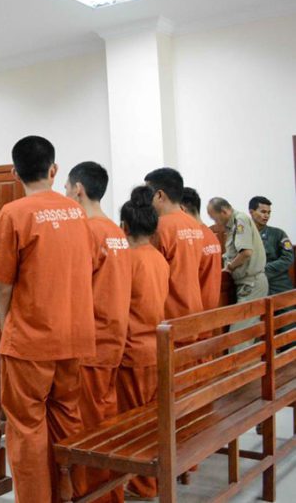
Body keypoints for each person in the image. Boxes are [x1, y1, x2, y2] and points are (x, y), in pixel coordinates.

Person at [0, 136, 94, 503]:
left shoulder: (14, 213)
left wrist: (7, 325)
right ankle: (68, 494)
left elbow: (1, 284)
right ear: (54, 169)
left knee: (27, 427)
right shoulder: (78, 212)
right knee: (66, 418)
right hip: (73, 334)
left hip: (30, 340)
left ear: (15, 173)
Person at [65, 161, 131, 503]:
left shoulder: (87, 230)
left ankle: (96, 495)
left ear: (78, 189)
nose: (65, 193)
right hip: (115, 338)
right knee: (108, 420)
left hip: (92, 342)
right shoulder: (117, 232)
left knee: (89, 428)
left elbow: (74, 286)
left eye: (66, 187)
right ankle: (113, 491)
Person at [117, 186, 170, 499]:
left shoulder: (126, 261)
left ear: (124, 226)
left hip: (133, 351)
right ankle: (152, 480)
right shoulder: (159, 259)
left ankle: (141, 485)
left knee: (133, 424)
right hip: (155, 349)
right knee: (151, 420)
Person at [144, 168, 204, 319]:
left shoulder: (159, 227)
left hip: (171, 312)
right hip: (194, 308)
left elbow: (150, 273)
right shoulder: (194, 224)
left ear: (159, 195)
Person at [207, 197, 268, 303]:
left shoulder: (240, 220)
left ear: (224, 212)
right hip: (246, 283)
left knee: (245, 320)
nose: (216, 223)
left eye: (215, 219)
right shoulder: (232, 224)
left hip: (251, 283)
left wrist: (230, 267)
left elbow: (246, 252)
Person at [181, 187, 223, 310]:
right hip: (211, 305)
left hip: (197, 309)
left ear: (182, 209)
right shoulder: (210, 235)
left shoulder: (193, 239)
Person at [249, 196, 294, 295]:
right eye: (263, 212)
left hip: (279, 284)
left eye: (269, 213)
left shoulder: (278, 234)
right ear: (251, 212)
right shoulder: (243, 236)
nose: (266, 216)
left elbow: (288, 258)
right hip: (254, 285)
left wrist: (263, 270)